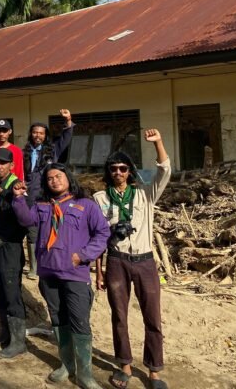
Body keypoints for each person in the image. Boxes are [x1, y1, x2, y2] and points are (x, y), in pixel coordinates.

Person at [13, 163, 110, 388]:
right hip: (49, 273)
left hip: (75, 273)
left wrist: (83, 255)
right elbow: (26, 220)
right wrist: (18, 199)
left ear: (68, 178)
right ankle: (67, 365)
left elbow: (103, 232)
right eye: (50, 178)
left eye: (58, 176)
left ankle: (85, 374)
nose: (54, 181)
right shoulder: (42, 205)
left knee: (79, 321)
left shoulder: (85, 205)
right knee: (58, 320)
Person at [93, 130, 171, 389]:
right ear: (108, 171)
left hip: (145, 261)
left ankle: (154, 371)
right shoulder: (100, 199)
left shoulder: (145, 195)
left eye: (123, 168)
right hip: (116, 261)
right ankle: (125, 365)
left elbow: (165, 171)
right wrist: (100, 271)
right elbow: (97, 237)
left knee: (152, 316)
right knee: (119, 315)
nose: (118, 172)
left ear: (130, 171)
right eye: (114, 168)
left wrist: (157, 143)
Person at [22, 109, 75, 280]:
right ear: (31, 134)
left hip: (46, 198)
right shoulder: (24, 153)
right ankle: (33, 267)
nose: (38, 135)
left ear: (45, 135)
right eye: (35, 132)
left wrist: (68, 121)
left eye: (41, 133)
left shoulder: (53, 151)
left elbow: (66, 139)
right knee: (31, 232)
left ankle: (48, 263)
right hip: (28, 197)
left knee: (46, 231)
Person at [0, 147, 27, 359]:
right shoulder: (0, 185)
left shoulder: (16, 185)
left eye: (3, 163)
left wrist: (0, 192)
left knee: (12, 293)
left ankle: (19, 342)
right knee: (0, 289)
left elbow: (21, 217)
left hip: (10, 246)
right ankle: (6, 334)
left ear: (12, 165)